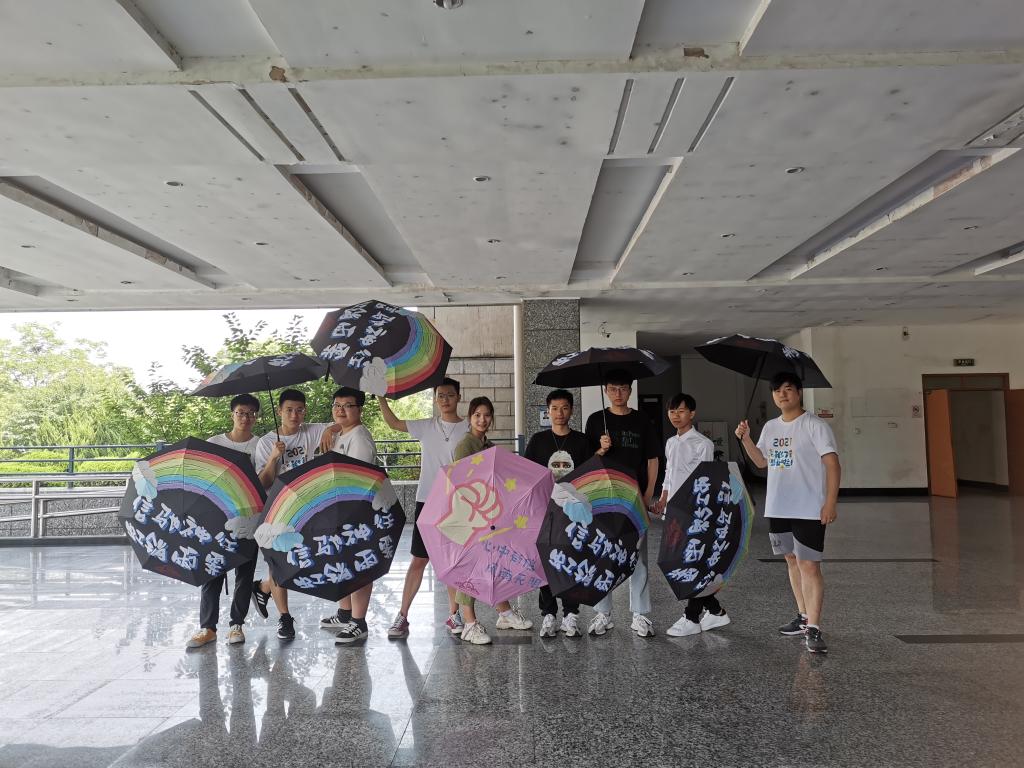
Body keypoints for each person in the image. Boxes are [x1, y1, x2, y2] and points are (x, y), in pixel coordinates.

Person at [736, 371, 841, 654]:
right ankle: (803, 617)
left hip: (808, 508)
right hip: (779, 506)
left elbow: (832, 464)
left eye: (788, 389)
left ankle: (814, 628)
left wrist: (830, 502)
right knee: (792, 561)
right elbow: (761, 462)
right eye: (777, 390)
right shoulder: (771, 427)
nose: (782, 394)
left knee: (809, 565)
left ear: (799, 393)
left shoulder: (815, 425)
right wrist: (745, 439)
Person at [378, 379, 468, 639]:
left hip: (457, 502)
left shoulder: (468, 427)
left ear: (458, 397)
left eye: (450, 395)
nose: (445, 400)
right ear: (435, 399)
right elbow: (394, 423)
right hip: (427, 499)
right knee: (419, 559)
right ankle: (402, 616)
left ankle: (454, 615)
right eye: (440, 395)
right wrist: (381, 397)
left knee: (452, 561)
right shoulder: (426, 425)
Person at [450, 396, 534, 645]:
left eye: (487, 415)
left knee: (494, 563)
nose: (482, 419)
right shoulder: (465, 445)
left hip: (490, 514)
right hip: (471, 516)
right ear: (469, 418)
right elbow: (462, 482)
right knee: (472, 568)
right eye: (477, 415)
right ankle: (469, 623)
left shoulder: (489, 446)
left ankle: (504, 612)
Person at [250, 389, 332, 640]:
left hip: (305, 508)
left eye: (299, 410)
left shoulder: (311, 431)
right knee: (278, 564)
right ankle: (285, 618)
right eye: (289, 410)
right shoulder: (266, 442)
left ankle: (263, 587)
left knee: (301, 559)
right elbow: (262, 482)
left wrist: (329, 431)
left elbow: (340, 423)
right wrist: (273, 458)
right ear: (279, 411)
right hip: (276, 510)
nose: (294, 415)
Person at [583, 369, 660, 638]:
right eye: (613, 388)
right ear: (606, 391)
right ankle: (603, 613)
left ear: (630, 390)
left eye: (623, 388)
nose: (618, 393)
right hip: (603, 498)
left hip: (634, 498)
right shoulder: (595, 421)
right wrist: (601, 449)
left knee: (637, 557)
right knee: (603, 554)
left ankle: (640, 614)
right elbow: (587, 462)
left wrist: (648, 494)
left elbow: (652, 459)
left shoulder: (642, 420)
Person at [186, 394, 262, 649]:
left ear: (256, 417)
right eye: (241, 412)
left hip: (248, 518)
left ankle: (236, 625)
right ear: (232, 414)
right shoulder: (214, 443)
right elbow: (202, 476)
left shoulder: (260, 445)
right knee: (212, 572)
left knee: (244, 574)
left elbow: (263, 479)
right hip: (216, 518)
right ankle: (207, 627)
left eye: (250, 413)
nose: (245, 418)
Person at [654, 393, 732, 637]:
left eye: (681, 411)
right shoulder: (671, 442)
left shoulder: (702, 444)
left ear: (692, 413)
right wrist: (663, 499)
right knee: (682, 561)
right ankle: (715, 610)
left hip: (694, 511)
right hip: (674, 510)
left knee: (693, 562)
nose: (676, 416)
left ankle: (691, 616)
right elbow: (668, 474)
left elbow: (705, 481)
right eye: (672, 411)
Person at [523, 389, 591, 638]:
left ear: (571, 410)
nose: (559, 413)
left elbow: (591, 475)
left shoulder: (582, 441)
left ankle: (571, 615)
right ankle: (549, 614)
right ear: (547, 411)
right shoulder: (538, 441)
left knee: (572, 560)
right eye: (554, 408)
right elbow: (527, 474)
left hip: (574, 512)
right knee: (545, 562)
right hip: (544, 511)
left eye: (564, 408)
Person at [315, 387, 378, 643]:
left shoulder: (359, 437)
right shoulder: (340, 433)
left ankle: (359, 621)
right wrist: (330, 429)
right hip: (339, 509)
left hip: (356, 511)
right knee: (342, 562)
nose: (341, 410)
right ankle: (345, 613)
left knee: (358, 565)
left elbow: (357, 480)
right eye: (337, 405)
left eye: (348, 405)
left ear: (359, 409)